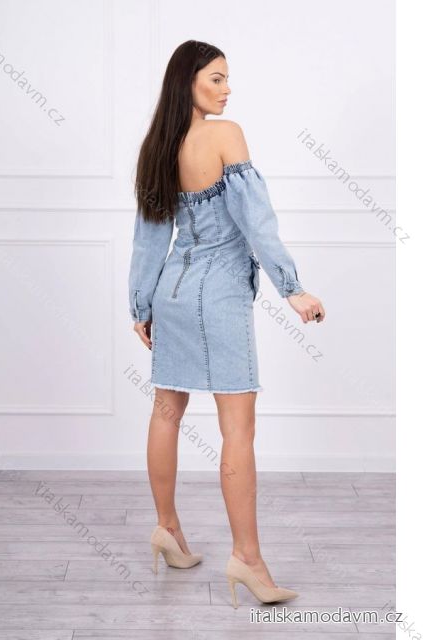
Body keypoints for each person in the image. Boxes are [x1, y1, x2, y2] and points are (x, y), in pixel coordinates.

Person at [128, 40, 325, 609]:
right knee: (238, 429)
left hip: (170, 291)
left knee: (167, 410)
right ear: (187, 80)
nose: (226, 89)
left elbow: (149, 236)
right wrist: (293, 287)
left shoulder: (158, 146)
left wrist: (140, 305)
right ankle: (248, 559)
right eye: (216, 78)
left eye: (227, 79)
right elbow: (256, 222)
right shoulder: (225, 134)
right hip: (217, 296)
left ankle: (167, 528)